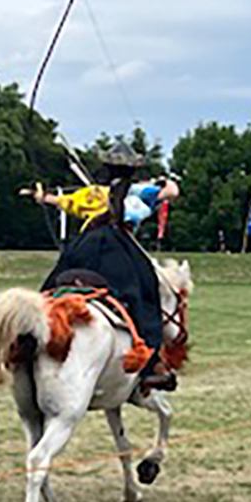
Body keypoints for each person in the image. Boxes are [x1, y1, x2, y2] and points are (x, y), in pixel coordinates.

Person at [28, 140, 180, 391]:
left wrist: (40, 196)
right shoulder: (139, 190)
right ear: (132, 170)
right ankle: (150, 365)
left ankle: (25, 340)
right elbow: (172, 192)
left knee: (48, 290)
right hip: (118, 248)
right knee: (147, 293)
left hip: (84, 246)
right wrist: (164, 180)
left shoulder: (91, 193)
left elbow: (61, 201)